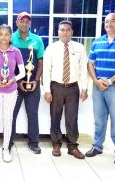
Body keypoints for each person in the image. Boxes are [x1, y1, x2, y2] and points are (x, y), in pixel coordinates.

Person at [85, 13, 115, 165]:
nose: (109, 24)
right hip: (98, 85)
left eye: (112, 21)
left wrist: (110, 81)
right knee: (99, 119)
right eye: (106, 21)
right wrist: (96, 81)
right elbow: (90, 64)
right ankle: (97, 146)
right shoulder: (97, 41)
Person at [43, 20, 88, 159]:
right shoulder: (51, 48)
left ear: (72, 32)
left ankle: (72, 145)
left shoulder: (80, 48)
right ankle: (56, 143)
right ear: (58, 32)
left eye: (68, 29)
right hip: (56, 87)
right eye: (62, 30)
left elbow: (84, 70)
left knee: (72, 117)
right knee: (55, 116)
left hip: (73, 87)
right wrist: (47, 90)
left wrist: (84, 88)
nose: (65, 32)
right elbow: (46, 70)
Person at [0, 24, 25, 163]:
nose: (4, 37)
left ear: (10, 36)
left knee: (8, 120)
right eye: (1, 34)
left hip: (11, 90)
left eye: (7, 34)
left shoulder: (16, 52)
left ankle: (5, 149)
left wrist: (12, 79)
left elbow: (23, 72)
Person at [8, 11, 44, 154]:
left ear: (30, 23)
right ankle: (8, 142)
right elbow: (8, 63)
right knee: (11, 114)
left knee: (33, 114)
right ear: (17, 23)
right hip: (14, 85)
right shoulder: (11, 39)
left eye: (27, 21)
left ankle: (34, 142)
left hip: (33, 84)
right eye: (22, 21)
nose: (24, 23)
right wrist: (17, 82)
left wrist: (36, 80)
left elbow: (40, 63)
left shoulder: (37, 40)